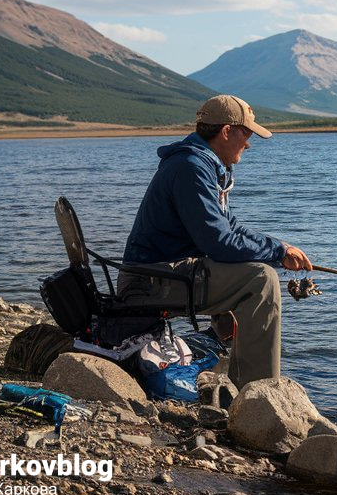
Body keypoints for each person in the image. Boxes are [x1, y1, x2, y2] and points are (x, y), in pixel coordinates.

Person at [120, 94, 312, 387]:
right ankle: (258, 393)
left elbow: (229, 227)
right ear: (226, 132)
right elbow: (219, 242)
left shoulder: (200, 163)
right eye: (246, 134)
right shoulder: (191, 168)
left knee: (251, 266)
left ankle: (233, 377)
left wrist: (281, 248)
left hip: (160, 274)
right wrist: (274, 253)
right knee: (260, 281)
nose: (248, 143)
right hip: (148, 283)